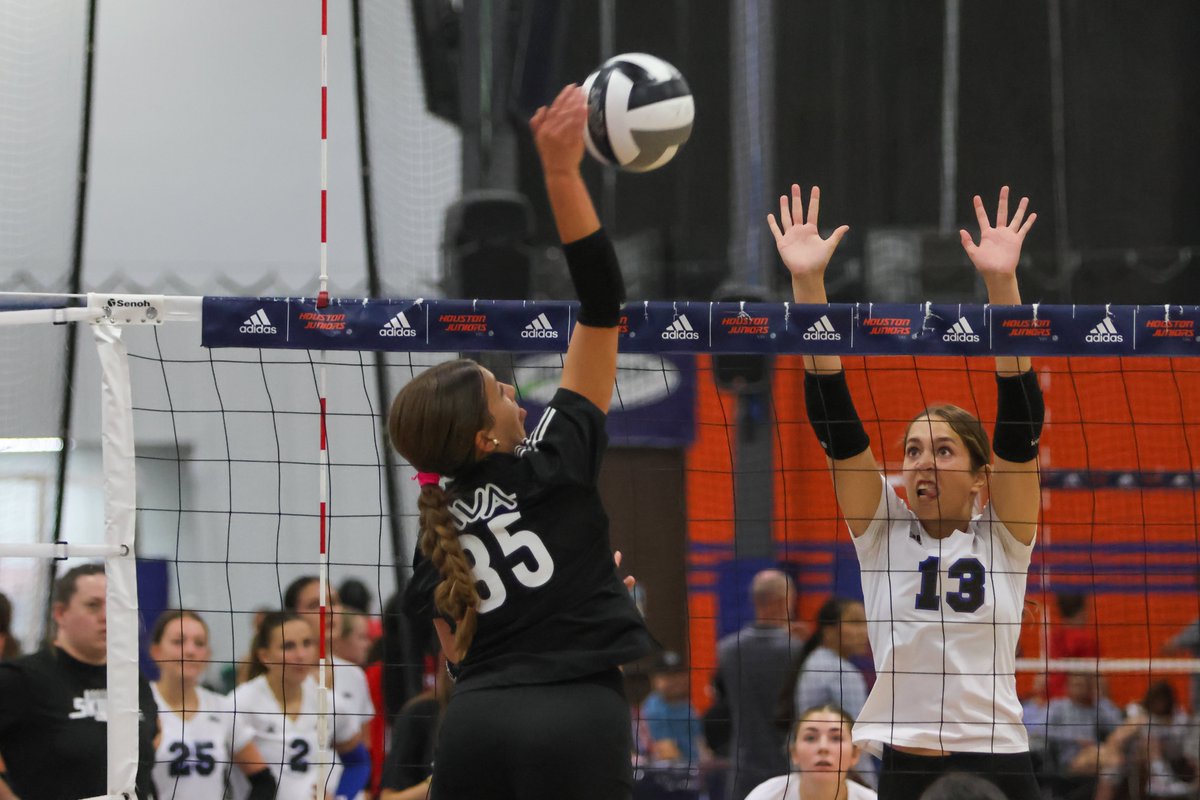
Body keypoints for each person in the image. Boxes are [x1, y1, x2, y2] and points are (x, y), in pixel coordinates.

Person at [389, 83, 655, 800]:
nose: (513, 390)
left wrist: (581, 583)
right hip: (578, 715)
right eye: (500, 393)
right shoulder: (555, 462)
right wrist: (562, 173)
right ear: (484, 436)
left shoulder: (434, 531)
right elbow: (602, 302)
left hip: (477, 723)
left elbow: (454, 647)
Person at [770, 185, 1043, 800]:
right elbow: (836, 423)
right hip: (907, 767)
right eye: (914, 449)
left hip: (998, 759)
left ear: (980, 477)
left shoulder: (1004, 537)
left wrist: (1002, 285)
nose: (922, 462)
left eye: (943, 451)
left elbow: (1020, 423)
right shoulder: (882, 531)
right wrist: (808, 285)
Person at [0, 563, 158, 799]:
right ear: (60, 613)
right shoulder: (21, 678)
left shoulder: (132, 680)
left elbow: (149, 751)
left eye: (113, 605)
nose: (106, 617)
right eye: (93, 605)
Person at [231, 610, 360, 799]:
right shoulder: (240, 704)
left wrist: (342, 795)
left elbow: (358, 762)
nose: (301, 654)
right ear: (265, 656)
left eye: (307, 643)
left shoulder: (330, 703)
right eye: (288, 646)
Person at [148, 609, 276, 799]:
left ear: (208, 654)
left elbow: (264, 780)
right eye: (178, 641)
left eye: (199, 643)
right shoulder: (140, 705)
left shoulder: (221, 707)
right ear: (156, 651)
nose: (190, 651)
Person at [716, 569, 805, 800]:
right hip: (786, 769)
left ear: (755, 600)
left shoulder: (726, 650)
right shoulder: (797, 650)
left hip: (742, 770)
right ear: (783, 601)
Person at [284, 575, 374, 799]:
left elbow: (364, 748)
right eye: (315, 605)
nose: (329, 611)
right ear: (294, 616)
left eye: (334, 601)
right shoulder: (284, 679)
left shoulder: (354, 675)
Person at [743, 704, 877, 800]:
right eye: (810, 738)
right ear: (794, 753)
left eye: (836, 738)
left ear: (855, 754)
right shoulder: (767, 795)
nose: (823, 747)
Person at [788, 598, 870, 722]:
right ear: (829, 631)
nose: (865, 631)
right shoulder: (839, 670)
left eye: (866, 623)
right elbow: (856, 729)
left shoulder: (815, 659)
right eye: (855, 622)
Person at [640, 650, 704, 765]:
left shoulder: (686, 704)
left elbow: (699, 742)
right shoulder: (653, 708)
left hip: (693, 766)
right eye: (668, 676)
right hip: (667, 769)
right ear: (655, 679)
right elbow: (667, 752)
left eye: (678, 674)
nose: (675, 680)